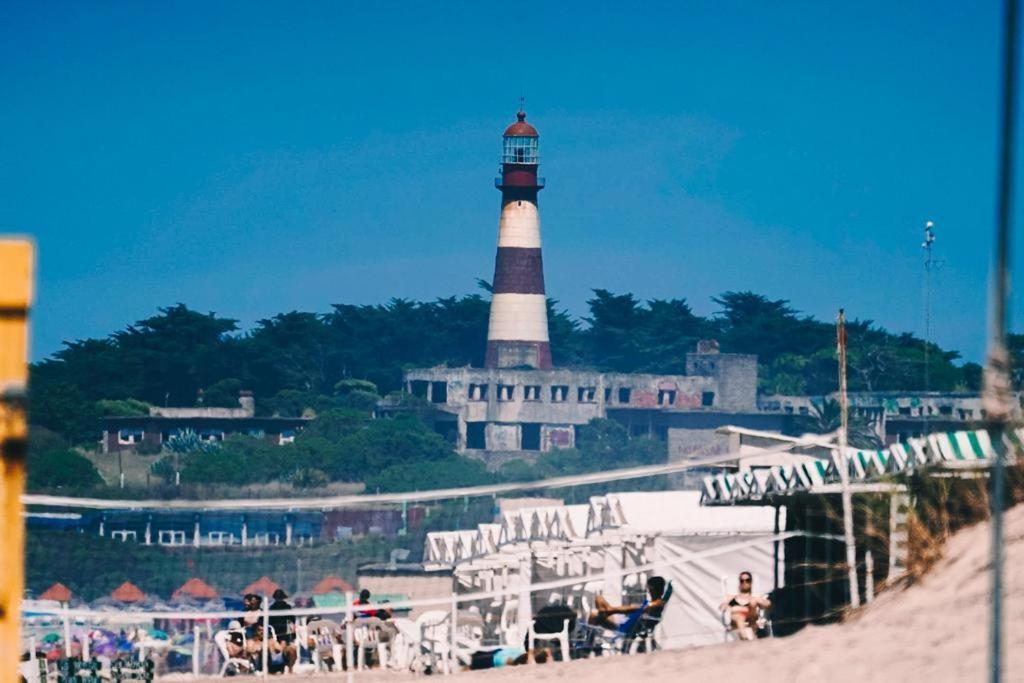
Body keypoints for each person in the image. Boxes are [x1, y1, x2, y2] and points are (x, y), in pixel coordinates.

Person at [588, 576, 667, 630]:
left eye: (650, 588)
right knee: (599, 598)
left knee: (594, 615)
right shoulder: (652, 602)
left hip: (626, 626)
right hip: (624, 619)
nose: (649, 591)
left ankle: (587, 647)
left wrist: (613, 610)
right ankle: (605, 611)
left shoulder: (657, 603)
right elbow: (635, 609)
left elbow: (636, 609)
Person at [719, 571, 771, 641]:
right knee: (739, 617)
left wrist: (759, 601)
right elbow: (722, 608)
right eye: (742, 581)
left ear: (751, 583)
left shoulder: (754, 599)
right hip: (736, 622)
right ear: (739, 583)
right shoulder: (732, 598)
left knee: (751, 604)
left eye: (747, 580)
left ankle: (746, 638)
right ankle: (746, 639)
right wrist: (727, 604)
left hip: (751, 621)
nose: (744, 582)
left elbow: (768, 604)